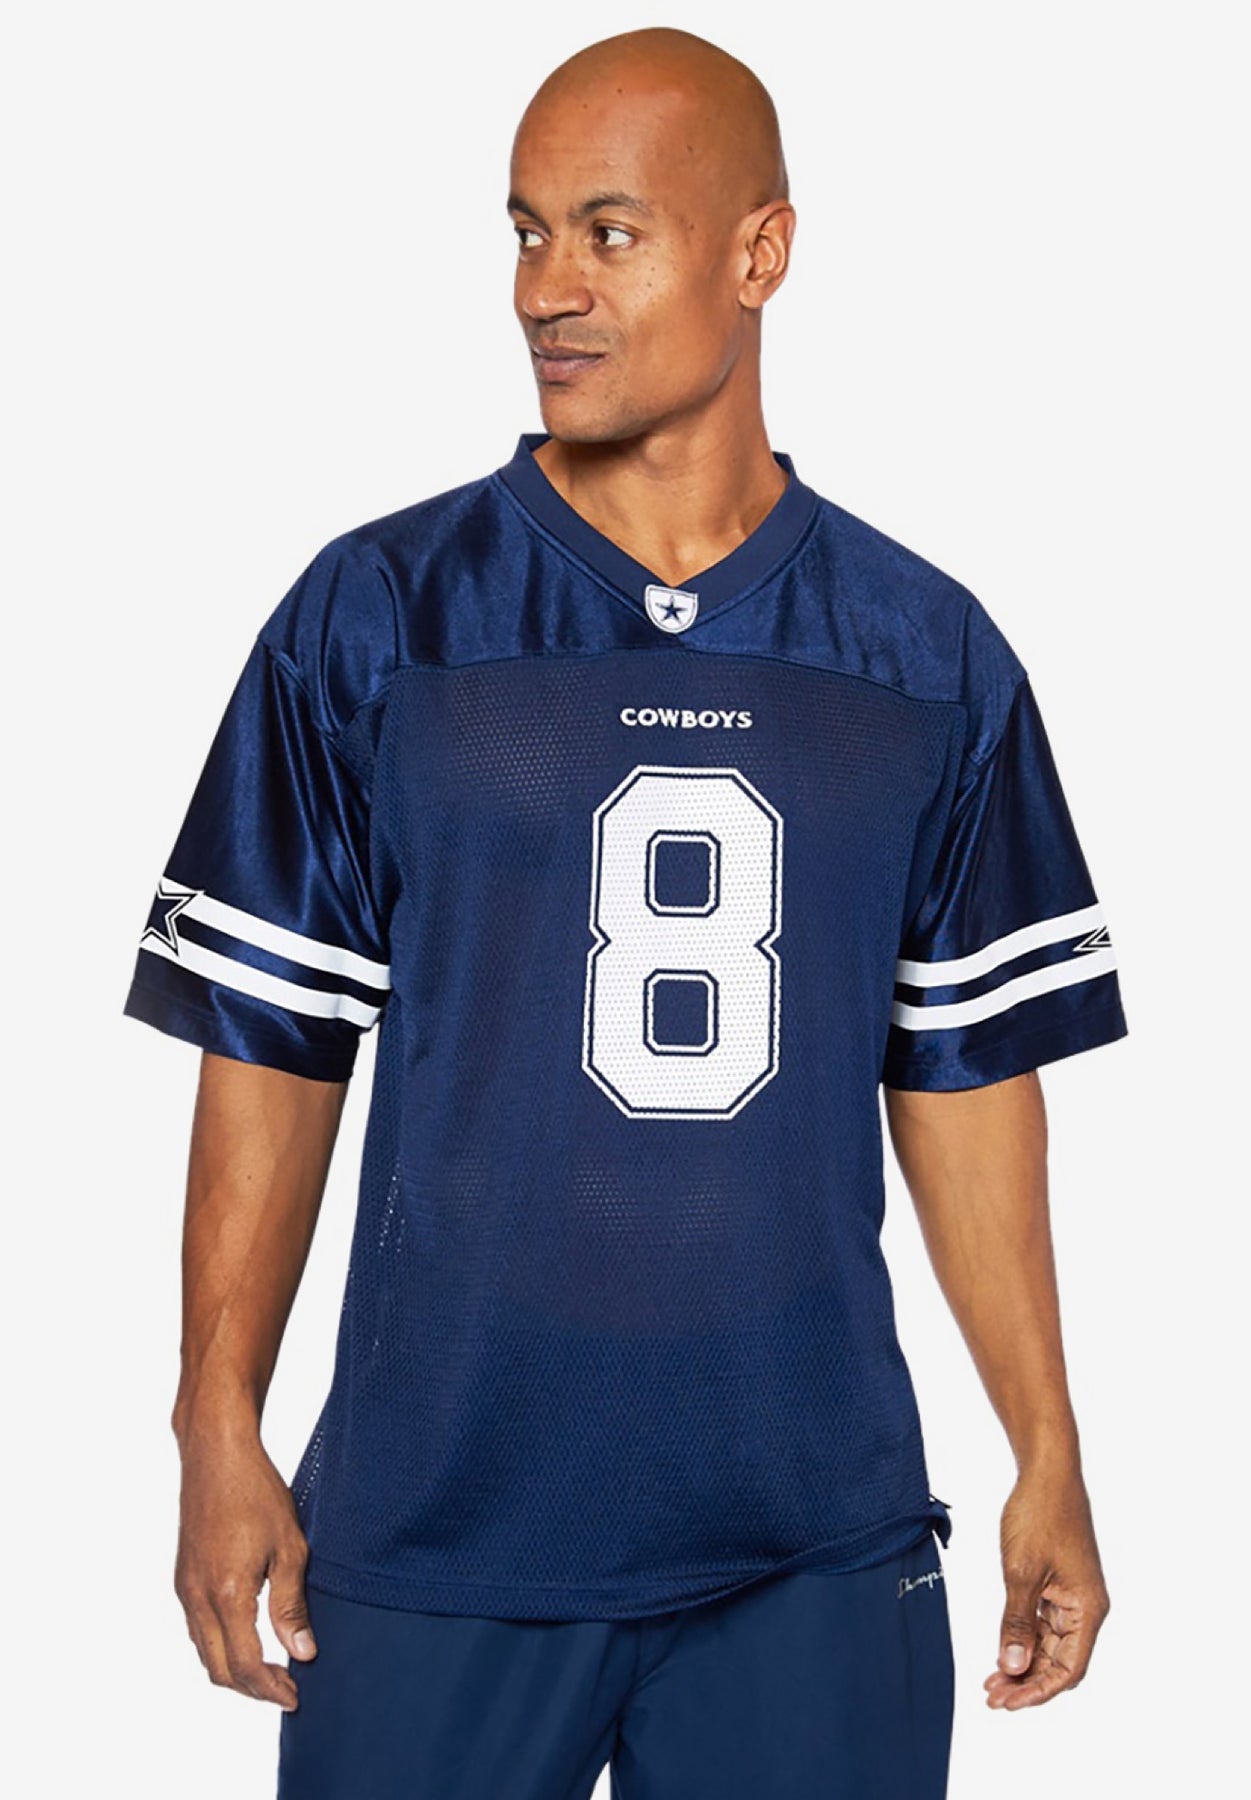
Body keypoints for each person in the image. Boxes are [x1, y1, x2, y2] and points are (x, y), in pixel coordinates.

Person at [123, 26, 1127, 1800]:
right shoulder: (381, 618)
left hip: (810, 1546)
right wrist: (215, 1419)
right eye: (524, 232)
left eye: (608, 233)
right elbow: (272, 1048)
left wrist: (1046, 1442)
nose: (545, 290)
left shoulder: (923, 654)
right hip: (434, 1533)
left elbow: (964, 1075)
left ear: (762, 252)